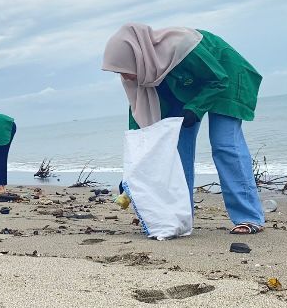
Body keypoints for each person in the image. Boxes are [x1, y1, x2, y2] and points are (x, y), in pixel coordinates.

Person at [102, 23, 265, 234]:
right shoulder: (145, 73)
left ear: (137, 57)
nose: (124, 77)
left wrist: (195, 109)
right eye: (119, 72)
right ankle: (179, 217)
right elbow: (140, 132)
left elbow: (218, 79)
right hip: (185, 88)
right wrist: (131, 175)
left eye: (124, 69)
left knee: (225, 145)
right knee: (176, 152)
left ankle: (249, 217)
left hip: (226, 77)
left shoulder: (181, 46)